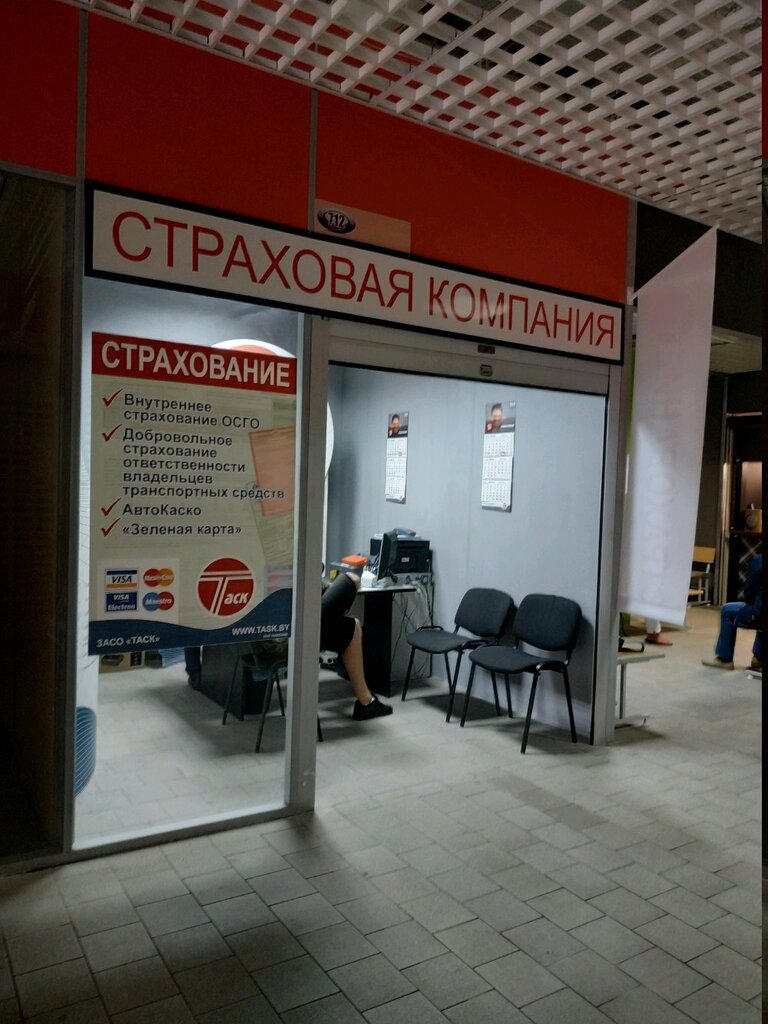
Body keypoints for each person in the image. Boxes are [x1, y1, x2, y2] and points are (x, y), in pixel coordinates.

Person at [321, 571, 393, 719]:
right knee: (352, 579)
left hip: (286, 630)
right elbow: (352, 579)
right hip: (297, 634)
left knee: (352, 627)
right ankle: (366, 701)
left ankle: (367, 702)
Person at [702, 553, 762, 670]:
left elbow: (749, 589)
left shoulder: (760, 560)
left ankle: (724, 659)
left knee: (727, 610)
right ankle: (759, 657)